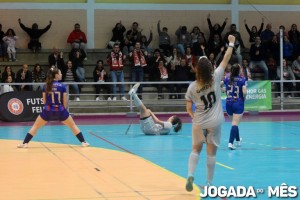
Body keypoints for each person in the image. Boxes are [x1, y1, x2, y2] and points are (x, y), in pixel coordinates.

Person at [185, 35, 235, 190]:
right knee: (211, 153)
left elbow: (188, 108)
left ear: (197, 70)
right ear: (210, 69)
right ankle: (208, 183)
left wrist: (194, 117)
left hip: (199, 122)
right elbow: (226, 59)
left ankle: (190, 175)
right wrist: (231, 43)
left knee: (195, 150)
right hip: (215, 122)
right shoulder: (216, 77)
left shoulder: (192, 87)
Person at [17, 68, 89, 148]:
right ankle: (83, 142)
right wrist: (63, 111)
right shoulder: (62, 86)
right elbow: (65, 101)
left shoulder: (46, 85)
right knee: (73, 126)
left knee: (35, 126)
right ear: (56, 75)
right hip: (60, 110)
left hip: (47, 110)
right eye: (60, 73)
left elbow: (44, 101)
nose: (61, 74)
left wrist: (48, 108)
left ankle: (25, 143)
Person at [222, 64, 247, 150]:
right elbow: (244, 91)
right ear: (239, 71)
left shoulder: (227, 78)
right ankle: (230, 143)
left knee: (234, 122)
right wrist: (245, 97)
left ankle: (238, 140)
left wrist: (222, 90)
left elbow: (220, 85)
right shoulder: (242, 79)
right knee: (235, 123)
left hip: (228, 103)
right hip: (238, 103)